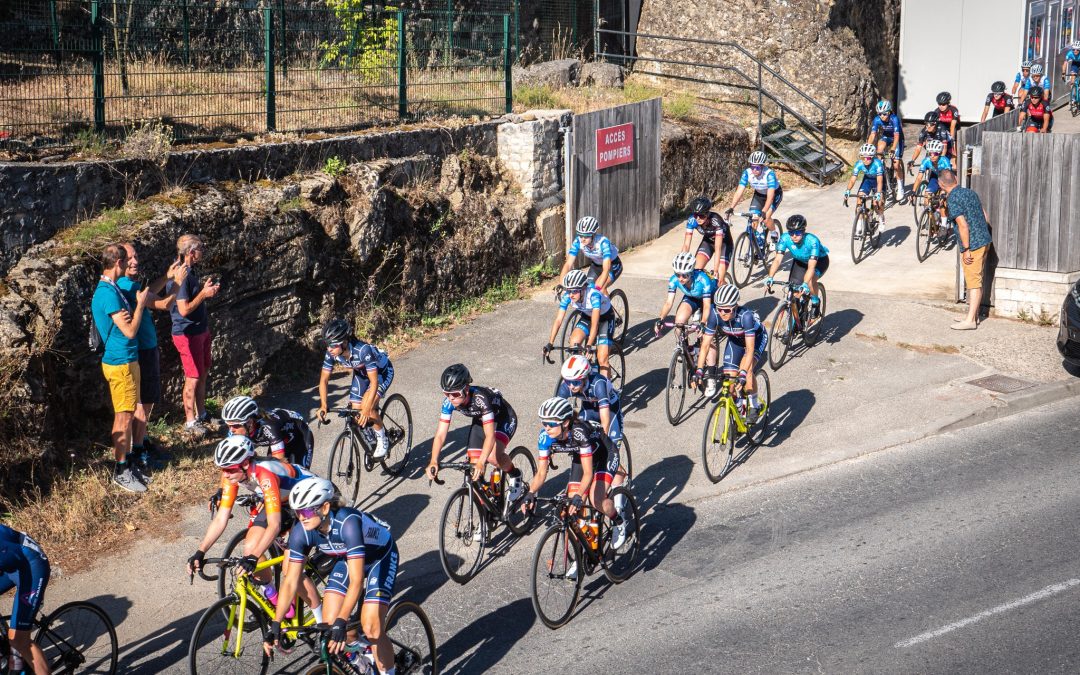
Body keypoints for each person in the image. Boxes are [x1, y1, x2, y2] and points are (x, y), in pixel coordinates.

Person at [265, 477, 398, 675]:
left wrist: (342, 620)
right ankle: (359, 659)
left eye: (306, 511)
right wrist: (276, 622)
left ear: (325, 508)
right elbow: (291, 580)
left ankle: (389, 671)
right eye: (297, 512)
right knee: (328, 626)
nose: (302, 517)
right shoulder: (302, 532)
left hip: (380, 557)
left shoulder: (348, 523)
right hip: (348, 558)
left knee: (372, 628)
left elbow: (356, 582)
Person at [186, 436, 322, 621]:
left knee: (291, 570)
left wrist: (253, 558)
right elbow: (221, 518)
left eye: (229, 469)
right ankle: (274, 598)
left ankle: (323, 621)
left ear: (245, 464)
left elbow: (274, 525)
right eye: (222, 469)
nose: (225, 475)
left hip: (310, 505)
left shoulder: (265, 473)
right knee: (250, 548)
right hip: (284, 502)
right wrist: (200, 552)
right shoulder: (233, 475)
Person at [522, 398, 627, 560]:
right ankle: (579, 556)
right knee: (570, 509)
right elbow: (541, 473)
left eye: (551, 423)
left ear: (565, 423)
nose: (546, 427)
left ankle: (618, 522)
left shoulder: (579, 433)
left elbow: (588, 473)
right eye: (544, 423)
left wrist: (579, 496)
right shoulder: (545, 437)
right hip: (581, 456)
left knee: (596, 499)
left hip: (605, 454)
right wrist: (530, 493)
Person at [119, 242, 183, 480]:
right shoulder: (127, 286)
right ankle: (139, 451)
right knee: (144, 403)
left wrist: (166, 277)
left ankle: (142, 441)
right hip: (144, 349)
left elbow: (147, 294)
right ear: (120, 261)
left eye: (136, 256)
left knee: (144, 401)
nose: (135, 262)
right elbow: (164, 304)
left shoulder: (127, 285)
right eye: (130, 258)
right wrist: (177, 282)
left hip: (144, 348)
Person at [91, 243, 150, 493]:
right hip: (120, 363)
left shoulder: (112, 288)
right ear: (118, 263)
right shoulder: (107, 293)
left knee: (128, 413)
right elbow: (130, 330)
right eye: (126, 260)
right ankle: (121, 470)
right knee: (123, 417)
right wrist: (140, 304)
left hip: (128, 359)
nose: (129, 264)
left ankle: (128, 464)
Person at [424, 364, 524, 501]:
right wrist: (433, 461)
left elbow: (490, 436)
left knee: (492, 458)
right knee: (474, 471)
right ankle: (487, 503)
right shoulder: (448, 403)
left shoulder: (480, 399)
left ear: (466, 389)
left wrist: (482, 462)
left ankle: (515, 474)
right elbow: (440, 435)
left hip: (503, 418)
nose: (451, 398)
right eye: (446, 394)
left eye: (455, 394)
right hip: (481, 420)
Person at [316, 318, 394, 459]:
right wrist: (323, 405)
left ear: (344, 342)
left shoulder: (363, 350)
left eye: (332, 345)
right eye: (327, 345)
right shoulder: (332, 353)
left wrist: (367, 409)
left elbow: (374, 382)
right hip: (362, 374)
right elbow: (324, 380)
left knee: (368, 408)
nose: (329, 349)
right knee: (355, 411)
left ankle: (383, 439)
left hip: (381, 373)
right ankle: (371, 432)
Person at [166, 234, 219, 436]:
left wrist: (205, 290)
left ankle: (201, 413)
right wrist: (203, 294)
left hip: (200, 329)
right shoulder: (181, 274)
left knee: (202, 371)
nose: (203, 251)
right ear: (191, 252)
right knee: (193, 376)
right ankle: (190, 422)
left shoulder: (189, 270)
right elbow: (184, 309)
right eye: (200, 248)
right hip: (187, 333)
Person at [697, 285, 768, 423]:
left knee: (746, 371)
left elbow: (750, 349)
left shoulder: (746, 317)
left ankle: (754, 405)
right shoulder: (714, 314)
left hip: (756, 339)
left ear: (735, 307)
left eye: (726, 310)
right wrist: (699, 370)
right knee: (729, 383)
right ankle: (739, 409)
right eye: (719, 308)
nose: (722, 313)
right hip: (735, 341)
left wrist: (742, 374)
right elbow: (705, 346)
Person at [554, 356, 628, 487]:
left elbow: (605, 417)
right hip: (588, 410)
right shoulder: (566, 387)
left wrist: (603, 440)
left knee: (607, 452)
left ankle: (619, 485)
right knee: (582, 443)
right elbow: (556, 415)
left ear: (585, 377)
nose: (571, 386)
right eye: (568, 381)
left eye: (575, 382)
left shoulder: (598, 383)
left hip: (610, 411)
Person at [941, 170, 992, 331]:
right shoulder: (970, 192)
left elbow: (962, 225)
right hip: (984, 240)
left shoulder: (952, 199)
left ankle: (970, 321)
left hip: (973, 245)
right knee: (976, 279)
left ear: (941, 185)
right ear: (955, 179)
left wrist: (967, 249)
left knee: (974, 282)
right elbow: (985, 216)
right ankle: (973, 316)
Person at [544, 269, 616, 379]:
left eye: (574, 291)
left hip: (605, 318)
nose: (571, 295)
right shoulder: (567, 296)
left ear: (583, 288)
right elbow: (558, 320)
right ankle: (585, 372)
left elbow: (595, 324)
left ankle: (607, 387)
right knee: (574, 344)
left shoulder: (594, 296)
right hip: (587, 316)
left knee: (602, 359)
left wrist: (589, 345)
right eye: (568, 290)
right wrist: (550, 343)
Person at [0, 525, 51, 675]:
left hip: (31, 564)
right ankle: (8, 652)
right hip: (10, 565)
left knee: (19, 640)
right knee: (12, 641)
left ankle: (16, 648)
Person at [221, 395, 315, 469]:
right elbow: (231, 459)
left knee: (295, 473)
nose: (231, 430)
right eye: (228, 425)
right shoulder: (235, 430)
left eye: (235, 425)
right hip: (281, 437)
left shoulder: (269, 427)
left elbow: (279, 462)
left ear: (249, 422)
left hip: (300, 437)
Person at [764, 215, 830, 320]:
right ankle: (797, 320)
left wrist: (804, 284)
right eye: (791, 233)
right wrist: (770, 277)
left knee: (810, 281)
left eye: (798, 233)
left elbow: (811, 267)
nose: (794, 236)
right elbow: (777, 260)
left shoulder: (812, 241)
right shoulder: (785, 238)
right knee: (794, 290)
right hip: (800, 261)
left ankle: (815, 302)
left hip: (819, 262)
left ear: (803, 231)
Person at [725, 152, 783, 250]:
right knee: (753, 219)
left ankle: (774, 234)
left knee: (766, 218)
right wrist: (731, 208)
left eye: (757, 168)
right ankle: (755, 245)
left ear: (762, 166)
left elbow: (770, 197)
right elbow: (739, 191)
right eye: (752, 167)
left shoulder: (769, 174)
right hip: (759, 195)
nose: (754, 170)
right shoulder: (747, 173)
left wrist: (764, 211)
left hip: (774, 195)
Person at [654, 252, 716, 340]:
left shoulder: (703, 280)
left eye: (685, 275)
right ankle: (684, 346)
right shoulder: (674, 280)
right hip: (692, 297)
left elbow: (706, 305)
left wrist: (703, 323)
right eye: (677, 274)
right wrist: (661, 319)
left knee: (706, 332)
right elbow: (668, 303)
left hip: (710, 298)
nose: (680, 278)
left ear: (691, 273)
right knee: (679, 323)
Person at [558, 216, 623, 292]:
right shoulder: (578, 241)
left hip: (612, 266)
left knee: (600, 289)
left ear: (593, 234)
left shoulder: (603, 243)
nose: (583, 239)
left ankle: (605, 299)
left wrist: (597, 289)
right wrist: (561, 285)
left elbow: (606, 269)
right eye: (580, 235)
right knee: (586, 289)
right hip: (596, 266)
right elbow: (568, 264)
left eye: (586, 236)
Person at [682, 195, 733, 280]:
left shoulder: (716, 220)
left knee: (718, 279)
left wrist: (716, 270)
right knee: (695, 272)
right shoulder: (692, 220)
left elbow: (718, 248)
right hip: (708, 243)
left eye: (701, 215)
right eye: (696, 215)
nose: (698, 218)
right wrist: (682, 263)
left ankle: (724, 285)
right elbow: (686, 245)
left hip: (724, 245)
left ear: (708, 214)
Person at [868, 99, 906, 203]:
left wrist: (893, 149)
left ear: (889, 112)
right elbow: (872, 135)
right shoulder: (877, 119)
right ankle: (882, 170)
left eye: (884, 114)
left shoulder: (894, 119)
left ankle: (900, 187)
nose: (882, 116)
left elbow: (897, 136)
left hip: (897, 138)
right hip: (887, 136)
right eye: (879, 114)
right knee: (879, 149)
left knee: (896, 165)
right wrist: (868, 146)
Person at [844, 144, 886, 229]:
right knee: (859, 199)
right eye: (863, 158)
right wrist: (848, 191)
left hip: (878, 181)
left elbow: (879, 181)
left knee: (878, 203)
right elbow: (852, 179)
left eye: (868, 158)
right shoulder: (859, 164)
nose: (865, 160)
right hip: (867, 180)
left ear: (873, 157)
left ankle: (881, 217)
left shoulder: (877, 164)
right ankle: (859, 223)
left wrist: (878, 193)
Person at [911, 140, 954, 222]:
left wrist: (944, 192)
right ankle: (931, 217)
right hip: (934, 178)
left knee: (943, 200)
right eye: (930, 153)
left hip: (945, 179)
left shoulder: (945, 161)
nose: (932, 156)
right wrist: (913, 191)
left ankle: (944, 224)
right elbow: (919, 177)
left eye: (935, 154)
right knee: (927, 196)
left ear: (940, 153)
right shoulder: (926, 161)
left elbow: (948, 178)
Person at [934, 92, 960, 161]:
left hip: (954, 127)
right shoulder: (936, 111)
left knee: (953, 147)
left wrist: (952, 141)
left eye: (943, 104)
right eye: (939, 104)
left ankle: (955, 161)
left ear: (948, 103)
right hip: (943, 127)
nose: (941, 106)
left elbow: (952, 127)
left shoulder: (954, 110)